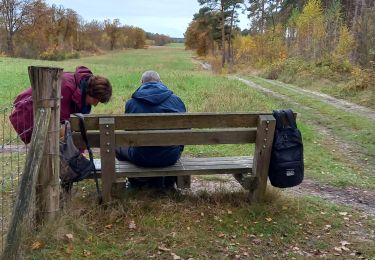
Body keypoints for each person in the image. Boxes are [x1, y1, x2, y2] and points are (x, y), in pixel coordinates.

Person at [115, 70, 186, 189]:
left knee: (117, 146)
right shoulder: (177, 100)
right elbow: (184, 132)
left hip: (140, 157)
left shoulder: (131, 103)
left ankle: (136, 182)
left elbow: (129, 134)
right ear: (160, 82)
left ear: (142, 83)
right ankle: (168, 181)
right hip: (170, 157)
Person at [9, 66, 112, 144]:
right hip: (30, 113)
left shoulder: (81, 93)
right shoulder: (66, 88)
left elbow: (72, 130)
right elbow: (62, 126)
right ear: (91, 93)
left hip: (47, 125)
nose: (95, 105)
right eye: (96, 100)